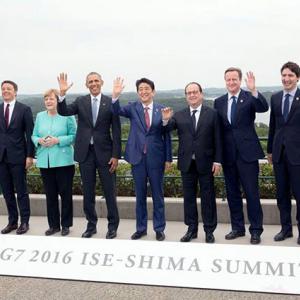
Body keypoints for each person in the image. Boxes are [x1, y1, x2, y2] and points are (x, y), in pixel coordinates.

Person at [57, 72, 121, 239]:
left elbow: (116, 130)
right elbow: (64, 111)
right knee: (88, 193)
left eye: (96, 81)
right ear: (86, 85)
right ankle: (91, 226)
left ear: (101, 82)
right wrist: (62, 94)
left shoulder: (110, 102)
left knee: (109, 192)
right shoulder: (80, 101)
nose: (93, 84)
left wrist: (115, 155)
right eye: (90, 82)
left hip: (106, 155)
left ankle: (112, 226)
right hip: (85, 154)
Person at [111, 77, 172, 241]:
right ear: (138, 92)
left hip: (156, 158)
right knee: (140, 196)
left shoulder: (162, 109)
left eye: (147, 89)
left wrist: (168, 159)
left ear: (153, 91)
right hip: (137, 158)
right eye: (141, 89)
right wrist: (115, 96)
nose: (144, 92)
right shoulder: (132, 107)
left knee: (158, 195)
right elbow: (116, 111)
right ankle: (141, 228)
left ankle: (159, 228)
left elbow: (166, 136)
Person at [162, 82, 221, 243]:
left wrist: (217, 161)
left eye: (195, 92)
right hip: (186, 163)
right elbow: (167, 129)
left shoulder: (212, 114)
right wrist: (166, 121)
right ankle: (191, 229)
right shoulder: (179, 115)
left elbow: (218, 139)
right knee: (188, 198)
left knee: (208, 198)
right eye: (189, 93)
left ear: (201, 94)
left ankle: (209, 230)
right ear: (186, 96)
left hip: (206, 162)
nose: (192, 95)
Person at [214, 68, 268, 244]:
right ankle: (237, 228)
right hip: (228, 156)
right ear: (225, 81)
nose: (231, 82)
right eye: (228, 80)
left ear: (239, 80)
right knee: (232, 194)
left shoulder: (248, 97)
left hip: (248, 154)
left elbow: (263, 107)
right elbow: (219, 132)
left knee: (252, 193)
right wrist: (218, 157)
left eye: (234, 79)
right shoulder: (219, 102)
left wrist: (253, 90)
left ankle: (256, 230)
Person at [32, 89, 77, 236]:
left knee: (65, 195)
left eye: (51, 98)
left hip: (64, 161)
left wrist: (58, 140)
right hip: (45, 161)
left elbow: (74, 135)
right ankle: (53, 225)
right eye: (46, 99)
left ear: (57, 100)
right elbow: (33, 135)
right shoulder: (39, 116)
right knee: (50, 195)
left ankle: (65, 225)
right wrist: (39, 141)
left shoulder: (67, 115)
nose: (48, 101)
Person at [267, 61, 300, 245]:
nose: (286, 79)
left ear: (297, 77)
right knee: (282, 194)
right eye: (284, 75)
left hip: (297, 154)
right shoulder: (276, 98)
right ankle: (285, 229)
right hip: (279, 154)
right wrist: (270, 150)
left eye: (290, 75)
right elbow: (273, 125)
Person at [0, 80, 34, 235]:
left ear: (15, 91)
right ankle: (12, 222)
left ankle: (24, 222)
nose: (5, 91)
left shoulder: (24, 109)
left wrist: (30, 156)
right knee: (7, 192)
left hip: (19, 156)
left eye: (9, 89)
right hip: (1, 157)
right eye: (3, 89)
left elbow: (30, 134)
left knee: (21, 191)